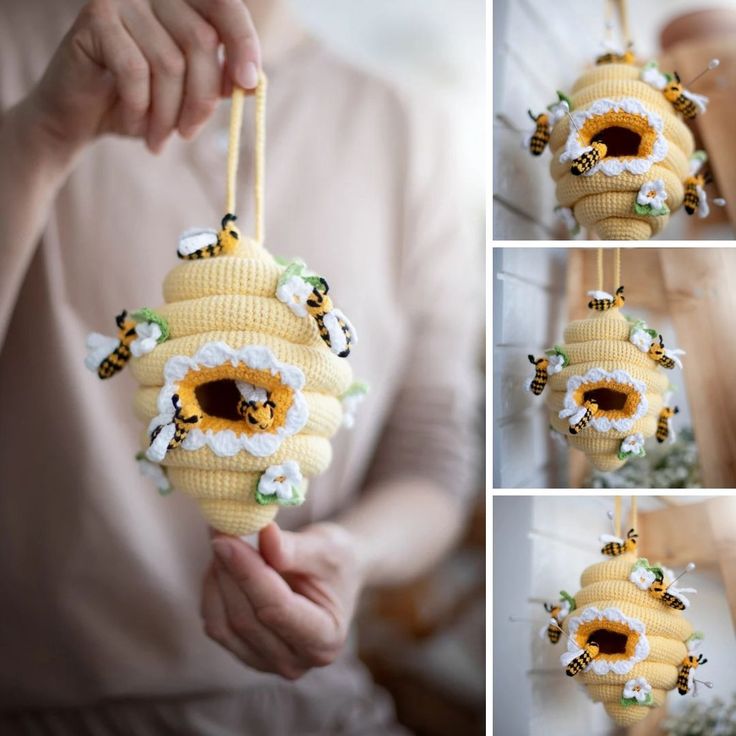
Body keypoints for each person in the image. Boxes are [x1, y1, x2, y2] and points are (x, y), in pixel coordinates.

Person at [0, 0, 481, 733]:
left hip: (319, 710)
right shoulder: (18, 50)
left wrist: (351, 554)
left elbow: (432, 454)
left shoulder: (410, 128)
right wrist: (40, 136)